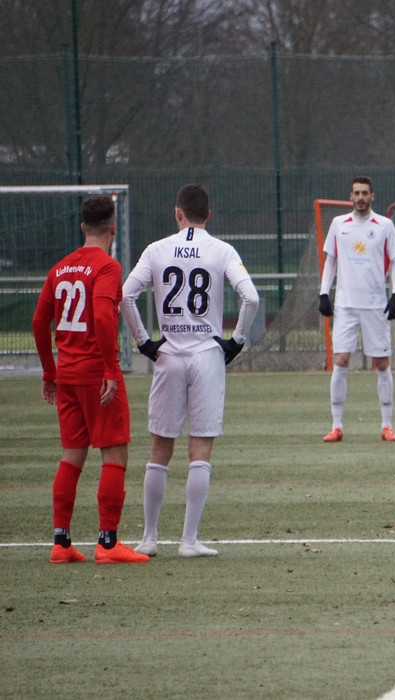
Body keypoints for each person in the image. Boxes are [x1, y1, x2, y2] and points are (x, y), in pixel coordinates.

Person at [120, 184, 260, 558]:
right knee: (200, 447)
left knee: (159, 446)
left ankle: (149, 538)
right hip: (206, 355)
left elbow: (126, 295)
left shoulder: (157, 249)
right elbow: (252, 297)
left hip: (168, 355)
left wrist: (143, 342)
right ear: (208, 216)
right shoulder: (222, 250)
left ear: (177, 212)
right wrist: (237, 340)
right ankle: (188, 541)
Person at [31, 194, 148, 564]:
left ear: (82, 227)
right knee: (114, 453)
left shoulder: (61, 268)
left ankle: (61, 541)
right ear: (113, 228)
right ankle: (108, 544)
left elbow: (38, 321)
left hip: (66, 373)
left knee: (72, 456)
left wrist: (50, 371)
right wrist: (112, 370)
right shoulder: (108, 266)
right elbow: (101, 316)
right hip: (97, 374)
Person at [317, 176, 395, 443]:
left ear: (372, 196)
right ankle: (336, 426)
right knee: (341, 361)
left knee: (382, 363)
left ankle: (387, 425)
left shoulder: (384, 226)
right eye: (356, 193)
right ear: (350, 196)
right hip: (345, 305)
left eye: (365, 193)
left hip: (376, 305)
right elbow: (330, 261)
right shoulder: (338, 225)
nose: (360, 197)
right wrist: (324, 292)